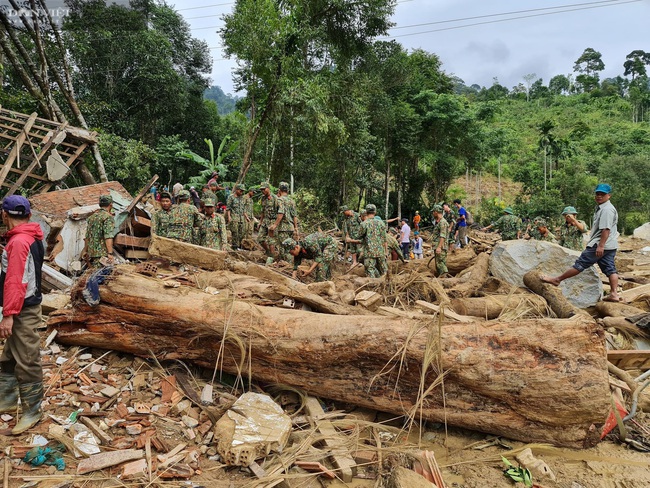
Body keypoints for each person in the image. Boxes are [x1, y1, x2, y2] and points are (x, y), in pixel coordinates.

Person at [0, 195, 45, 434]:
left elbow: (16, 281)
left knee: (27, 358)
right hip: (23, 304)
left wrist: (8, 314)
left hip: (22, 308)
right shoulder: (32, 236)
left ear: (4, 215)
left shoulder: (19, 242)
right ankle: (7, 398)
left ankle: (32, 410)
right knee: (10, 355)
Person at [543, 184, 621, 302]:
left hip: (599, 244)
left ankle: (557, 279)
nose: (599, 196)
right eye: (597, 194)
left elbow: (606, 229)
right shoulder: (602, 208)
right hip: (610, 245)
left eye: (602, 194)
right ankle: (614, 294)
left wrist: (600, 245)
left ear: (609, 196)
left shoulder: (606, 210)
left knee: (580, 264)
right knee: (610, 269)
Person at [351, 204, 387, 278]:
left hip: (369, 252)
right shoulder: (381, 223)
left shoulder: (364, 224)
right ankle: (387, 286)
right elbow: (384, 239)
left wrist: (349, 239)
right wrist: (385, 251)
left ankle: (373, 287)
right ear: (375, 212)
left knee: (370, 270)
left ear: (366, 212)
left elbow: (358, 236)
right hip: (380, 251)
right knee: (384, 270)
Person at [82, 195, 115, 267]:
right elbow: (108, 235)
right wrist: (110, 253)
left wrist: (85, 250)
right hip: (102, 255)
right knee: (101, 276)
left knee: (94, 274)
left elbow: (87, 236)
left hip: (91, 254)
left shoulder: (91, 217)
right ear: (111, 205)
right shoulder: (108, 217)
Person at [272, 182, 299, 260]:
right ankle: (290, 264)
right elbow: (294, 216)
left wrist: (275, 225)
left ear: (279, 190)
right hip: (291, 228)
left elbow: (281, 213)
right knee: (290, 248)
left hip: (283, 228)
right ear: (287, 190)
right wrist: (296, 228)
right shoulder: (292, 201)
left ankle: (286, 265)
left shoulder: (280, 200)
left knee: (283, 248)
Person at [258, 182, 280, 264]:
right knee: (260, 239)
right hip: (265, 221)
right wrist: (260, 221)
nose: (262, 191)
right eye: (261, 190)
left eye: (264, 189)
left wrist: (276, 224)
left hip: (272, 221)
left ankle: (272, 258)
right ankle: (268, 252)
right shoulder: (263, 198)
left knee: (271, 241)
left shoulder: (275, 198)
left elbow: (280, 213)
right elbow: (263, 211)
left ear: (268, 188)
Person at [226, 184, 248, 249]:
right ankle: (234, 246)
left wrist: (246, 217)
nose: (242, 192)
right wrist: (229, 217)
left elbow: (243, 209)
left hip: (241, 218)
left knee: (242, 232)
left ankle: (239, 246)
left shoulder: (242, 198)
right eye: (240, 191)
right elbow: (228, 208)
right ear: (236, 190)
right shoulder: (231, 197)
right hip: (234, 217)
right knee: (235, 232)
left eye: (242, 191)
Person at [431, 205, 449, 276]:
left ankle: (445, 280)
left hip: (441, 247)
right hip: (439, 246)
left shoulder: (442, 222)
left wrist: (439, 247)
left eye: (433, 212)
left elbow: (442, 236)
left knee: (441, 265)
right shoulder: (439, 222)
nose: (433, 213)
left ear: (436, 212)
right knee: (438, 265)